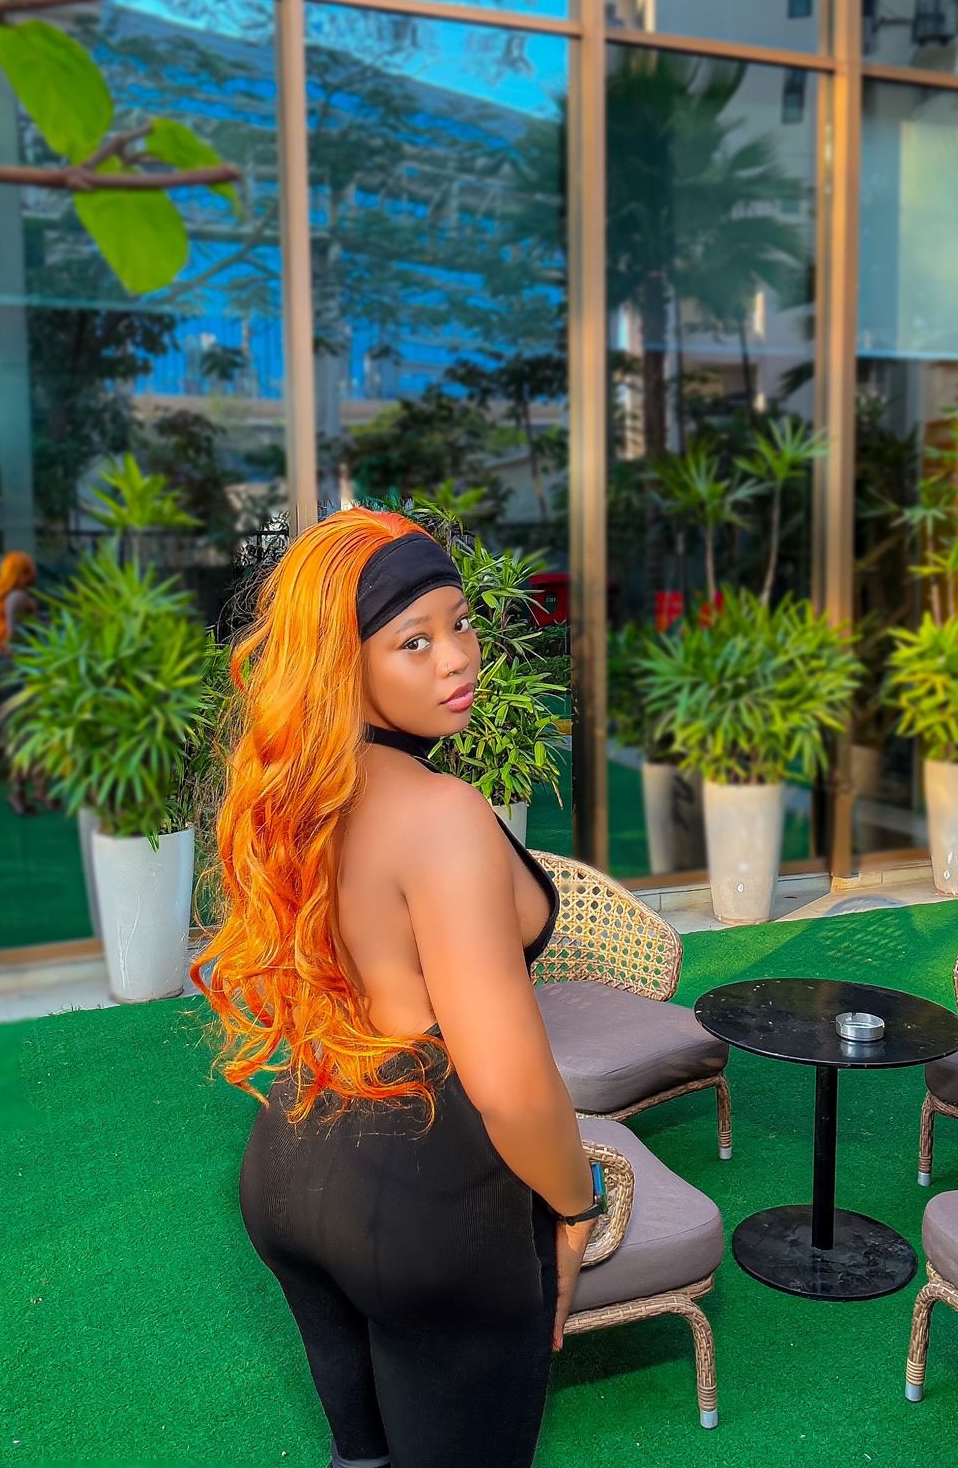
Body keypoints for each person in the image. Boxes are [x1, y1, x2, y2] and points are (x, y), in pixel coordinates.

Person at [191, 508, 604, 1468]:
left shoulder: (297, 796)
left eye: (460, 624)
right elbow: (508, 1084)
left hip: (290, 1158)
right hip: (428, 1193)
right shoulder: (442, 813)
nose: (456, 658)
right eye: (412, 641)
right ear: (346, 665)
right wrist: (576, 1207)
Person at [0, 550, 46, 816]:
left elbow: (8, 636)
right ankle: (24, 791)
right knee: (30, 733)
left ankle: (33, 789)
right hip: (25, 672)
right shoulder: (19, 598)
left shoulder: (7, 600)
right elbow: (14, 637)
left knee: (26, 733)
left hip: (13, 672)